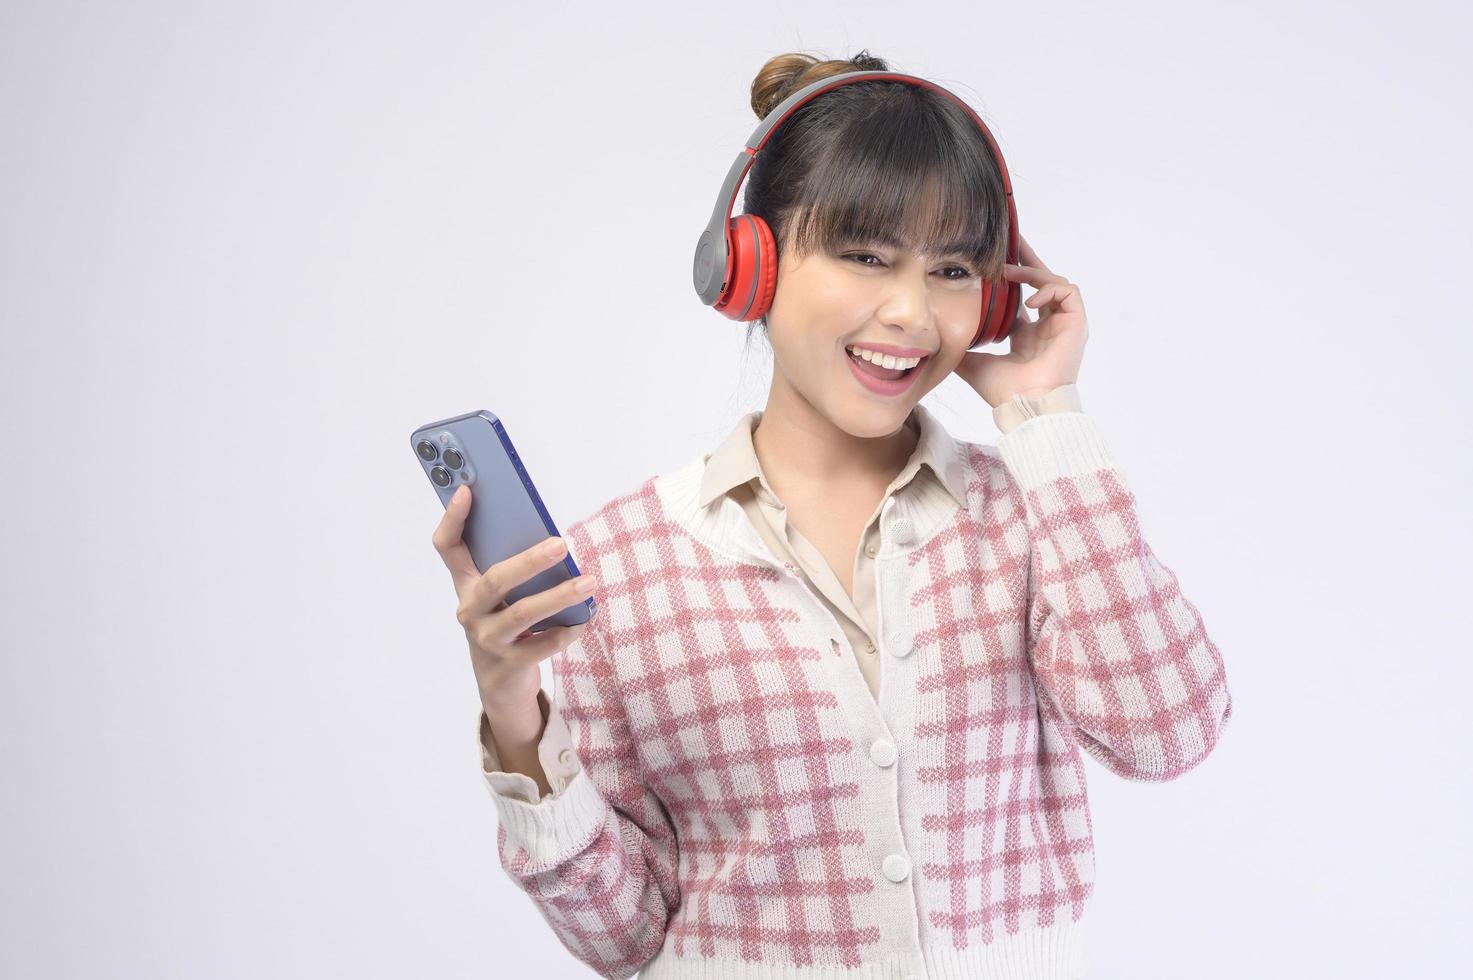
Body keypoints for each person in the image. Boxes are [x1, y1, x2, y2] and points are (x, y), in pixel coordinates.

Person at [433, 49, 1233, 980]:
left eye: (952, 270)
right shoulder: (621, 564)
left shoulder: (1030, 516)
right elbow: (626, 936)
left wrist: (1041, 414)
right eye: (864, 257)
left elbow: (1165, 733)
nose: (912, 313)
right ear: (750, 266)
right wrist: (512, 712)